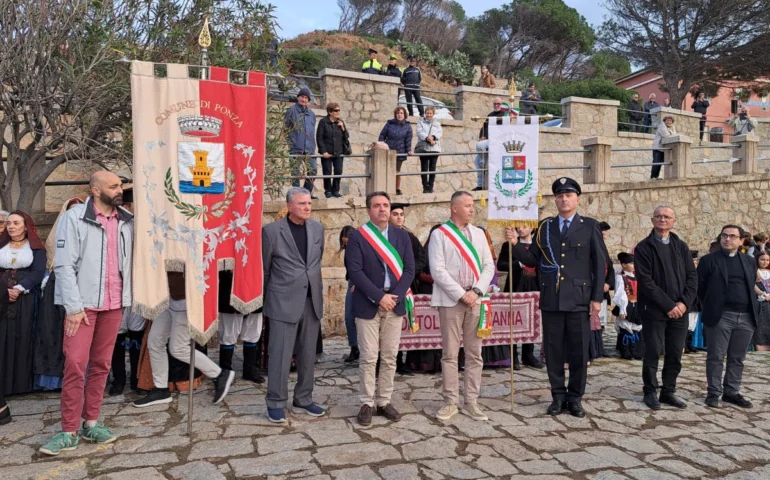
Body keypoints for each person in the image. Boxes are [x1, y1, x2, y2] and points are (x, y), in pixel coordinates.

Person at [41, 172, 132, 456]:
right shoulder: (74, 218)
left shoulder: (128, 221)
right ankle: (68, 430)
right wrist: (74, 307)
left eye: (120, 185)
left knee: (102, 365)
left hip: (114, 303)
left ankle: (91, 423)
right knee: (76, 365)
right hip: (83, 307)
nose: (120, 190)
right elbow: (64, 266)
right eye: (114, 186)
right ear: (95, 190)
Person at [506, 177, 605, 418]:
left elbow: (599, 263)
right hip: (552, 299)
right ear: (555, 200)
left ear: (577, 199)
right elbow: (533, 261)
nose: (564, 199)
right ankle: (558, 396)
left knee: (579, 352)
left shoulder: (590, 226)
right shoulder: (546, 227)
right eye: (560, 196)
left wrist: (596, 298)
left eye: (568, 195)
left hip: (579, 300)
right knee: (553, 351)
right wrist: (515, 244)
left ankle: (575, 398)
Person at [346, 191, 414, 426]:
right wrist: (379, 297)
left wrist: (393, 297)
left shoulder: (401, 236)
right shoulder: (358, 236)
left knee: (389, 356)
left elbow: (409, 270)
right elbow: (355, 272)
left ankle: (384, 401)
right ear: (369, 210)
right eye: (377, 206)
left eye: (386, 205)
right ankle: (366, 402)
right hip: (368, 304)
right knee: (368, 356)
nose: (383, 209)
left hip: (394, 304)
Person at [429, 191, 495, 422]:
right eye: (467, 205)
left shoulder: (479, 233)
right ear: (454, 208)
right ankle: (450, 401)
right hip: (451, 301)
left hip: (475, 298)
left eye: (472, 205)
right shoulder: (440, 234)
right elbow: (437, 270)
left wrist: (476, 291)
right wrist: (460, 294)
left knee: (475, 353)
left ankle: (472, 401)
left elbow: (489, 265)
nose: (472, 209)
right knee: (449, 354)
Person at [262, 187, 325, 423]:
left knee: (309, 353)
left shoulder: (318, 228)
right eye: (302, 204)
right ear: (289, 206)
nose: (307, 208)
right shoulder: (270, 232)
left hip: (311, 301)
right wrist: (267, 300)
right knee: (280, 353)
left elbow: (314, 262)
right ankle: (276, 402)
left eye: (309, 203)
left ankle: (304, 398)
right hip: (282, 302)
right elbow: (265, 269)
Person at [132, 271, 234, 408]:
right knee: (155, 341)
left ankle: (219, 373)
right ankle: (161, 389)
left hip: (185, 298)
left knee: (178, 348)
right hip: (166, 296)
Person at [634, 205, 698, 411]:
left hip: (680, 310)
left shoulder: (681, 247)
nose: (663, 219)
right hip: (654, 309)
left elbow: (692, 277)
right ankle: (650, 391)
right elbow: (646, 281)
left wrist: (683, 303)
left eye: (667, 217)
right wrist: (669, 305)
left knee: (675, 353)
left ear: (673, 221)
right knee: (653, 351)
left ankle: (668, 391)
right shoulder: (644, 248)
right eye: (659, 216)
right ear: (652, 220)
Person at [697, 225, 758, 409]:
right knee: (716, 356)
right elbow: (700, 288)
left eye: (732, 236)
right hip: (721, 315)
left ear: (741, 241)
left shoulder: (749, 261)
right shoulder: (708, 260)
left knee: (737, 357)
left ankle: (731, 392)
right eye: (724, 235)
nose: (727, 239)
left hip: (746, 316)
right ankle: (714, 392)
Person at [36, 198, 84, 391]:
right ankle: (56, 379)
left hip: (82, 287)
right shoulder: (57, 236)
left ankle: (80, 378)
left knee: (78, 334)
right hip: (57, 286)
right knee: (53, 332)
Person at [0, 211, 46, 399]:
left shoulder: (36, 249)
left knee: (22, 335)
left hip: (25, 298)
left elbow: (37, 272)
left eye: (16, 223)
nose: (11, 226)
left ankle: (21, 383)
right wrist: (4, 291)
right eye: (9, 223)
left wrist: (19, 288)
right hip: (1, 297)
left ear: (26, 226)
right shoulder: (1, 245)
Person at [109, 188, 145, 396]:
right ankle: (118, 378)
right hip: (116, 287)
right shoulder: (113, 226)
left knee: (136, 334)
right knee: (118, 335)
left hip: (137, 287)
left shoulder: (140, 227)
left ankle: (137, 377)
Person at [496, 225, 543, 370]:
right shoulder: (508, 245)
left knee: (530, 320)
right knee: (514, 322)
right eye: (519, 227)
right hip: (516, 286)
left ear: (532, 228)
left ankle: (528, 354)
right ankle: (513, 355)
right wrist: (518, 264)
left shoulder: (538, 245)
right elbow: (501, 265)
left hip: (533, 286)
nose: (521, 229)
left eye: (525, 226)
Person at [389, 203, 426, 376]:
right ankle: (390, 361)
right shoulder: (381, 237)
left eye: (401, 214)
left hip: (408, 287)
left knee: (407, 325)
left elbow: (421, 259)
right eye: (395, 214)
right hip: (388, 287)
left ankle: (405, 361)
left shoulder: (410, 237)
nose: (399, 217)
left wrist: (408, 273)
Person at [406, 224, 444, 373]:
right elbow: (419, 271)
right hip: (427, 292)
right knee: (425, 329)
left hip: (445, 293)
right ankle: (423, 363)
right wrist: (433, 279)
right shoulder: (425, 251)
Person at [218, 271, 265, 384]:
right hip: (230, 285)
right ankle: (226, 372)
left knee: (253, 331)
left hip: (254, 284)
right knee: (228, 333)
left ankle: (250, 369)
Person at [285, 88, 317, 197]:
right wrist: (291, 142)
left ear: (308, 100)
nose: (303, 99)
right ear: (298, 97)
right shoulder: (291, 111)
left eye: (306, 98)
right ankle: (297, 194)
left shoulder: (311, 114)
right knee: (295, 173)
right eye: (302, 97)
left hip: (310, 148)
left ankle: (306, 192)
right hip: (295, 147)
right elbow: (285, 129)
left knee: (313, 170)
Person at [612, 253, 644, 360]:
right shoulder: (621, 278)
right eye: (631, 263)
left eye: (635, 263)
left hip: (637, 305)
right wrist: (622, 308)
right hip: (627, 305)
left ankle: (634, 349)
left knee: (636, 327)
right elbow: (620, 294)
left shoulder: (638, 277)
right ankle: (625, 350)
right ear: (624, 265)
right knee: (625, 326)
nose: (634, 265)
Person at [316, 102, 349, 198]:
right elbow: (319, 137)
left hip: (338, 152)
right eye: (336, 110)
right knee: (327, 172)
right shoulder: (323, 122)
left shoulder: (340, 122)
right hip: (327, 152)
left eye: (339, 110)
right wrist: (323, 151)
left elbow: (346, 137)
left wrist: (343, 128)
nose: (338, 112)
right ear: (330, 112)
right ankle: (328, 191)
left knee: (338, 171)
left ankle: (336, 190)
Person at [378, 106, 413, 196]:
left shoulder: (408, 126)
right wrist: (382, 145)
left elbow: (408, 140)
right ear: (395, 115)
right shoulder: (389, 124)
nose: (399, 115)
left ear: (404, 114)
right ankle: (384, 189)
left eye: (401, 113)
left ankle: (396, 189)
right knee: (387, 170)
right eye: (398, 113)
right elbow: (382, 135)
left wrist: (408, 150)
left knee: (397, 171)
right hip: (388, 151)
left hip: (400, 151)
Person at [473, 98, 506, 191]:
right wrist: (482, 136)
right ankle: (480, 185)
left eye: (498, 104)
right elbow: (484, 127)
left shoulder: (504, 116)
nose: (496, 105)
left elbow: (499, 130)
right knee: (477, 161)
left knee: (479, 146)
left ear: (501, 104)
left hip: (496, 141)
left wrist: (486, 137)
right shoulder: (490, 115)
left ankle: (483, 160)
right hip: (487, 141)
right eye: (495, 103)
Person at [339, 225, 359, 363]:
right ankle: (354, 347)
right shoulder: (347, 250)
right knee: (349, 317)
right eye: (344, 242)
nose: (346, 245)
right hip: (352, 282)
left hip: (360, 283)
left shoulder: (360, 247)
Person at [416, 106, 443, 193]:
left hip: (434, 148)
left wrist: (433, 137)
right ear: (425, 113)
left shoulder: (437, 123)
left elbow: (440, 133)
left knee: (432, 168)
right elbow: (419, 132)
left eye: (430, 113)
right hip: (424, 148)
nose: (429, 115)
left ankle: (430, 187)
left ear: (433, 114)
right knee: (424, 169)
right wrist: (427, 138)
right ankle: (425, 187)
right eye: (427, 113)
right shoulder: (420, 122)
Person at [753, 251, 770, 351]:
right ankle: (760, 347)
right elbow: (752, 285)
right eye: (762, 259)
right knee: (760, 326)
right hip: (759, 303)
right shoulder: (754, 272)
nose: (765, 262)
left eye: (767, 260)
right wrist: (762, 294)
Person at [651, 115, 675, 179]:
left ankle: (656, 176)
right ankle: (653, 177)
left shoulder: (672, 127)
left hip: (663, 149)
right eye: (667, 120)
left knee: (660, 163)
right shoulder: (662, 126)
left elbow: (675, 135)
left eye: (670, 120)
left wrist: (671, 133)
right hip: (658, 147)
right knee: (656, 162)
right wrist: (671, 133)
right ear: (664, 121)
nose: (669, 122)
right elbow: (665, 135)